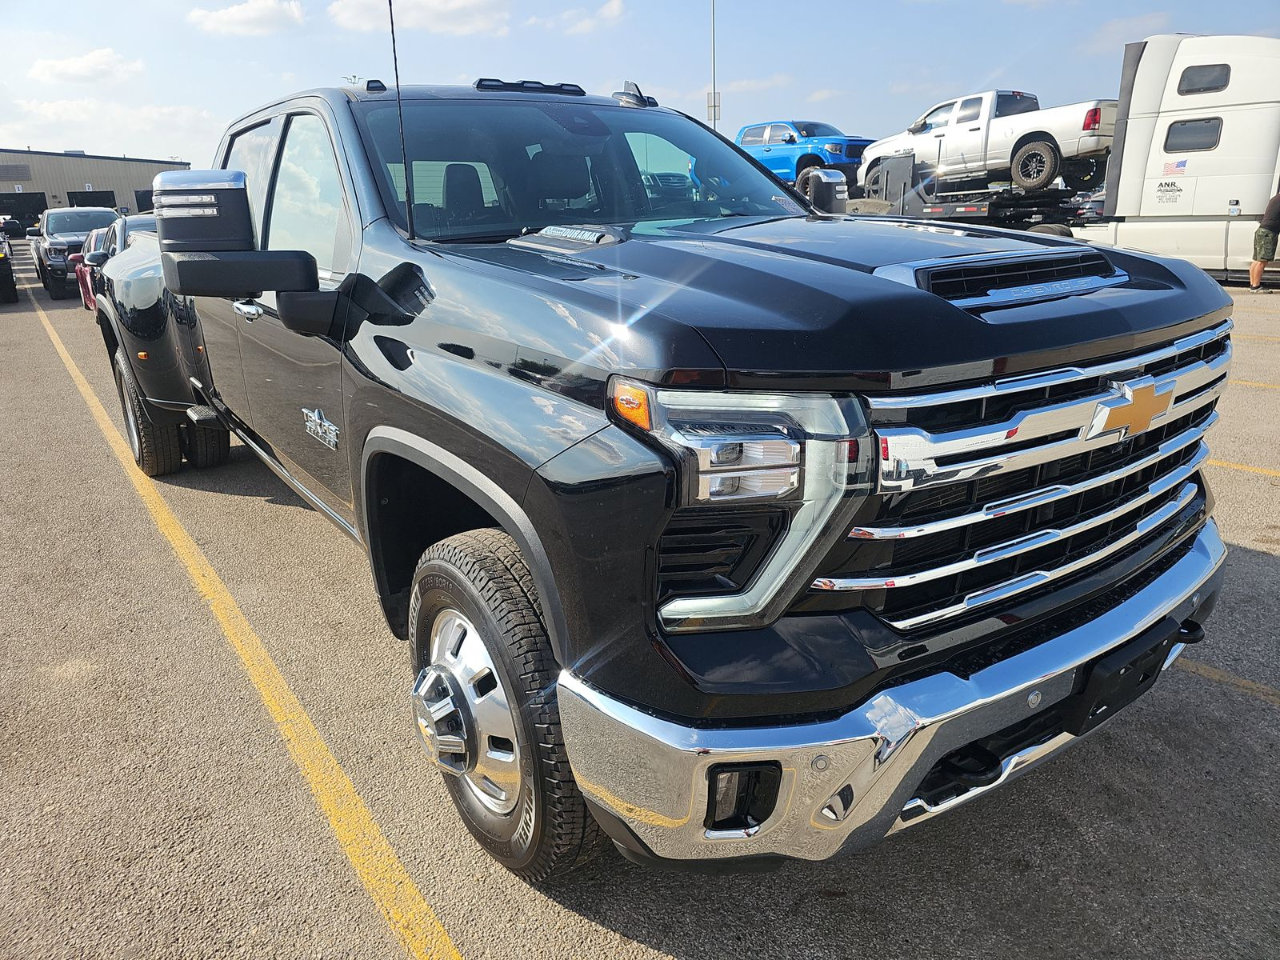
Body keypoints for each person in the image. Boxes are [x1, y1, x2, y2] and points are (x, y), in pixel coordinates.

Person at [1250, 187, 1280, 293]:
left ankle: (1253, 285)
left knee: (1257, 259)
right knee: (1262, 261)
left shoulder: (1275, 198)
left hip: (1262, 230)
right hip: (1268, 233)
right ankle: (1256, 287)